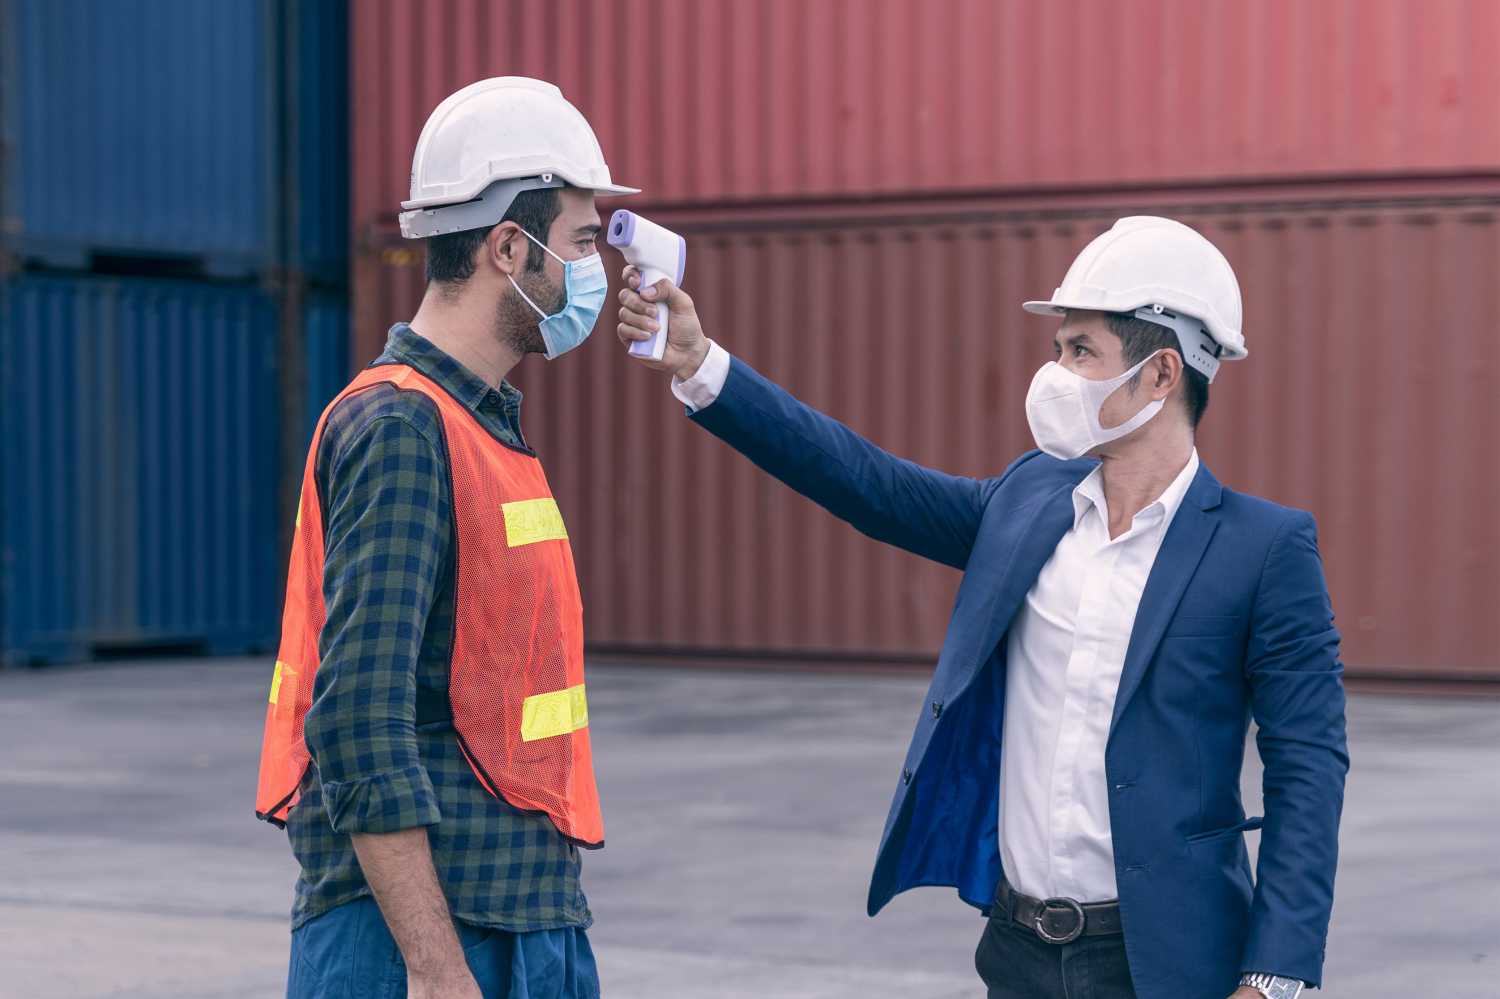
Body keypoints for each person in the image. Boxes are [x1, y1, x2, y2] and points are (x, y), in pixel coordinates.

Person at [616, 216, 1348, 999]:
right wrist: (702, 365)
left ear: (1162, 373)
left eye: (1080, 351)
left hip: (1165, 963)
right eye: (1058, 347)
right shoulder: (1029, 498)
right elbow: (868, 483)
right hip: (1017, 953)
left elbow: (1308, 768)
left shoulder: (1263, 549)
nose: (1055, 372)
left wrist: (1274, 978)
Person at [254, 77, 638, 999]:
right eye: (583, 243)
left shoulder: (479, 423)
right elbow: (357, 721)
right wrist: (434, 965)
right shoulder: (401, 426)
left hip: (522, 913)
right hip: (428, 942)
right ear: (510, 245)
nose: (596, 271)